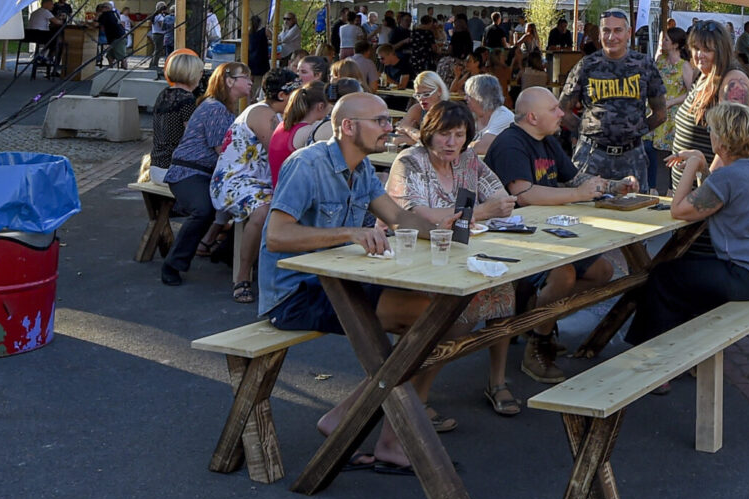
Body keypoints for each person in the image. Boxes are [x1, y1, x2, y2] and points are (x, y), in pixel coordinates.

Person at [262, 91, 465, 463]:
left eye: (389, 120)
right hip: (294, 294)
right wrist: (349, 233)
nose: (390, 128)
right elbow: (276, 235)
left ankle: (358, 421)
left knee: (446, 321)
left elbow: (401, 220)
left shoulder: (364, 170)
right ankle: (385, 434)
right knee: (428, 320)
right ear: (349, 126)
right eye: (381, 121)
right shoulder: (307, 165)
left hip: (340, 282)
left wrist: (441, 231)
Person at [385, 99, 524, 412]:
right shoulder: (410, 161)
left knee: (503, 290)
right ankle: (417, 397)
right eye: (444, 134)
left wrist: (494, 207)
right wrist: (478, 212)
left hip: (458, 255)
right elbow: (416, 216)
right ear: (429, 133)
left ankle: (497, 381)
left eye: (459, 135)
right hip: (414, 259)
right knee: (459, 310)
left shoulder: (468, 160)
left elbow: (501, 195)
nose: (451, 143)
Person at [492, 88, 637, 383]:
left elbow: (574, 178)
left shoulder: (547, 140)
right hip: (512, 240)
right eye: (555, 109)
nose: (562, 113)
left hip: (547, 235)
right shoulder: (510, 143)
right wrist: (577, 194)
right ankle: (538, 341)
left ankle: (539, 317)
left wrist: (613, 186)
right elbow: (524, 194)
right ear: (532, 117)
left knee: (602, 271)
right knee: (565, 276)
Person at [629, 102, 749, 349]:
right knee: (682, 277)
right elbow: (716, 192)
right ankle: (682, 347)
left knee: (663, 277)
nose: (710, 134)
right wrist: (703, 167)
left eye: (712, 130)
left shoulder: (727, 177)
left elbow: (679, 209)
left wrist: (695, 163)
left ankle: (649, 357)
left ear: (722, 138)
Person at [160, 62, 252, 286]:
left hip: (202, 173)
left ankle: (223, 250)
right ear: (229, 81)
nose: (250, 81)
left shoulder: (219, 107)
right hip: (188, 172)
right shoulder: (215, 108)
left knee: (238, 201)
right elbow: (224, 150)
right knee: (204, 210)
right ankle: (172, 265)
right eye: (245, 77)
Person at [559, 10, 668, 187]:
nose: (612, 37)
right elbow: (562, 110)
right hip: (592, 155)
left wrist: (634, 130)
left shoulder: (644, 65)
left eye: (618, 30)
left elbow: (661, 114)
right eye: (606, 31)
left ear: (628, 33)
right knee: (583, 208)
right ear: (600, 33)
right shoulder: (586, 66)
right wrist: (587, 130)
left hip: (632, 156)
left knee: (636, 208)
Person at [214, 68, 292, 304]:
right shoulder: (262, 114)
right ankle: (242, 276)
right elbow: (280, 155)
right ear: (282, 95)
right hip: (234, 181)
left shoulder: (274, 114)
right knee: (263, 210)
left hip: (257, 181)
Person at [668, 20, 749, 157]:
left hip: (710, 176)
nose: (699, 55)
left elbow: (731, 147)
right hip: (688, 175)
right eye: (696, 48)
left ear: (721, 50)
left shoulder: (733, 80)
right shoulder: (701, 74)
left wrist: (709, 176)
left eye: (707, 50)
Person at [148, 50, 204, 183]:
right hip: (173, 168)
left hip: (156, 165)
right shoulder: (186, 99)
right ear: (192, 74)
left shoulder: (164, 94)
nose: (201, 76)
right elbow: (193, 136)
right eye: (200, 72)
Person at [268, 83, 331, 185]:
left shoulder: (282, 125)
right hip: (293, 195)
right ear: (321, 106)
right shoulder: (308, 131)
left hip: (279, 190)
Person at [461, 74, 514, 146]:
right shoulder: (471, 115)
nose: (465, 98)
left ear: (481, 98)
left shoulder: (504, 117)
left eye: (469, 95)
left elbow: (483, 147)